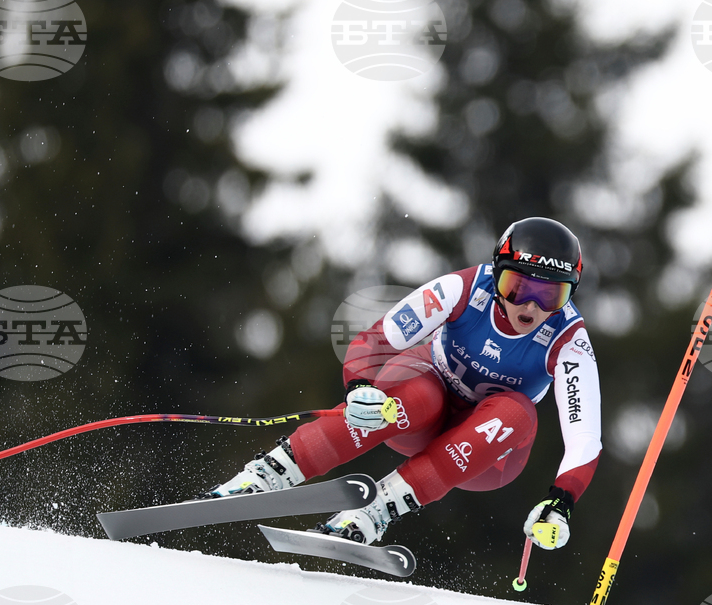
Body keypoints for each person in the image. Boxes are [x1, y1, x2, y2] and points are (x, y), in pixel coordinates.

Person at [200, 217, 602, 552]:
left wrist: (560, 501)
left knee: (517, 411)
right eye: (516, 287)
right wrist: (359, 388)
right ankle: (267, 474)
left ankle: (377, 511)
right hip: (426, 405)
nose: (529, 307)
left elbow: (585, 438)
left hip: (489, 453)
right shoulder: (462, 288)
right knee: (419, 393)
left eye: (551, 295)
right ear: (496, 274)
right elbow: (377, 340)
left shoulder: (569, 341)